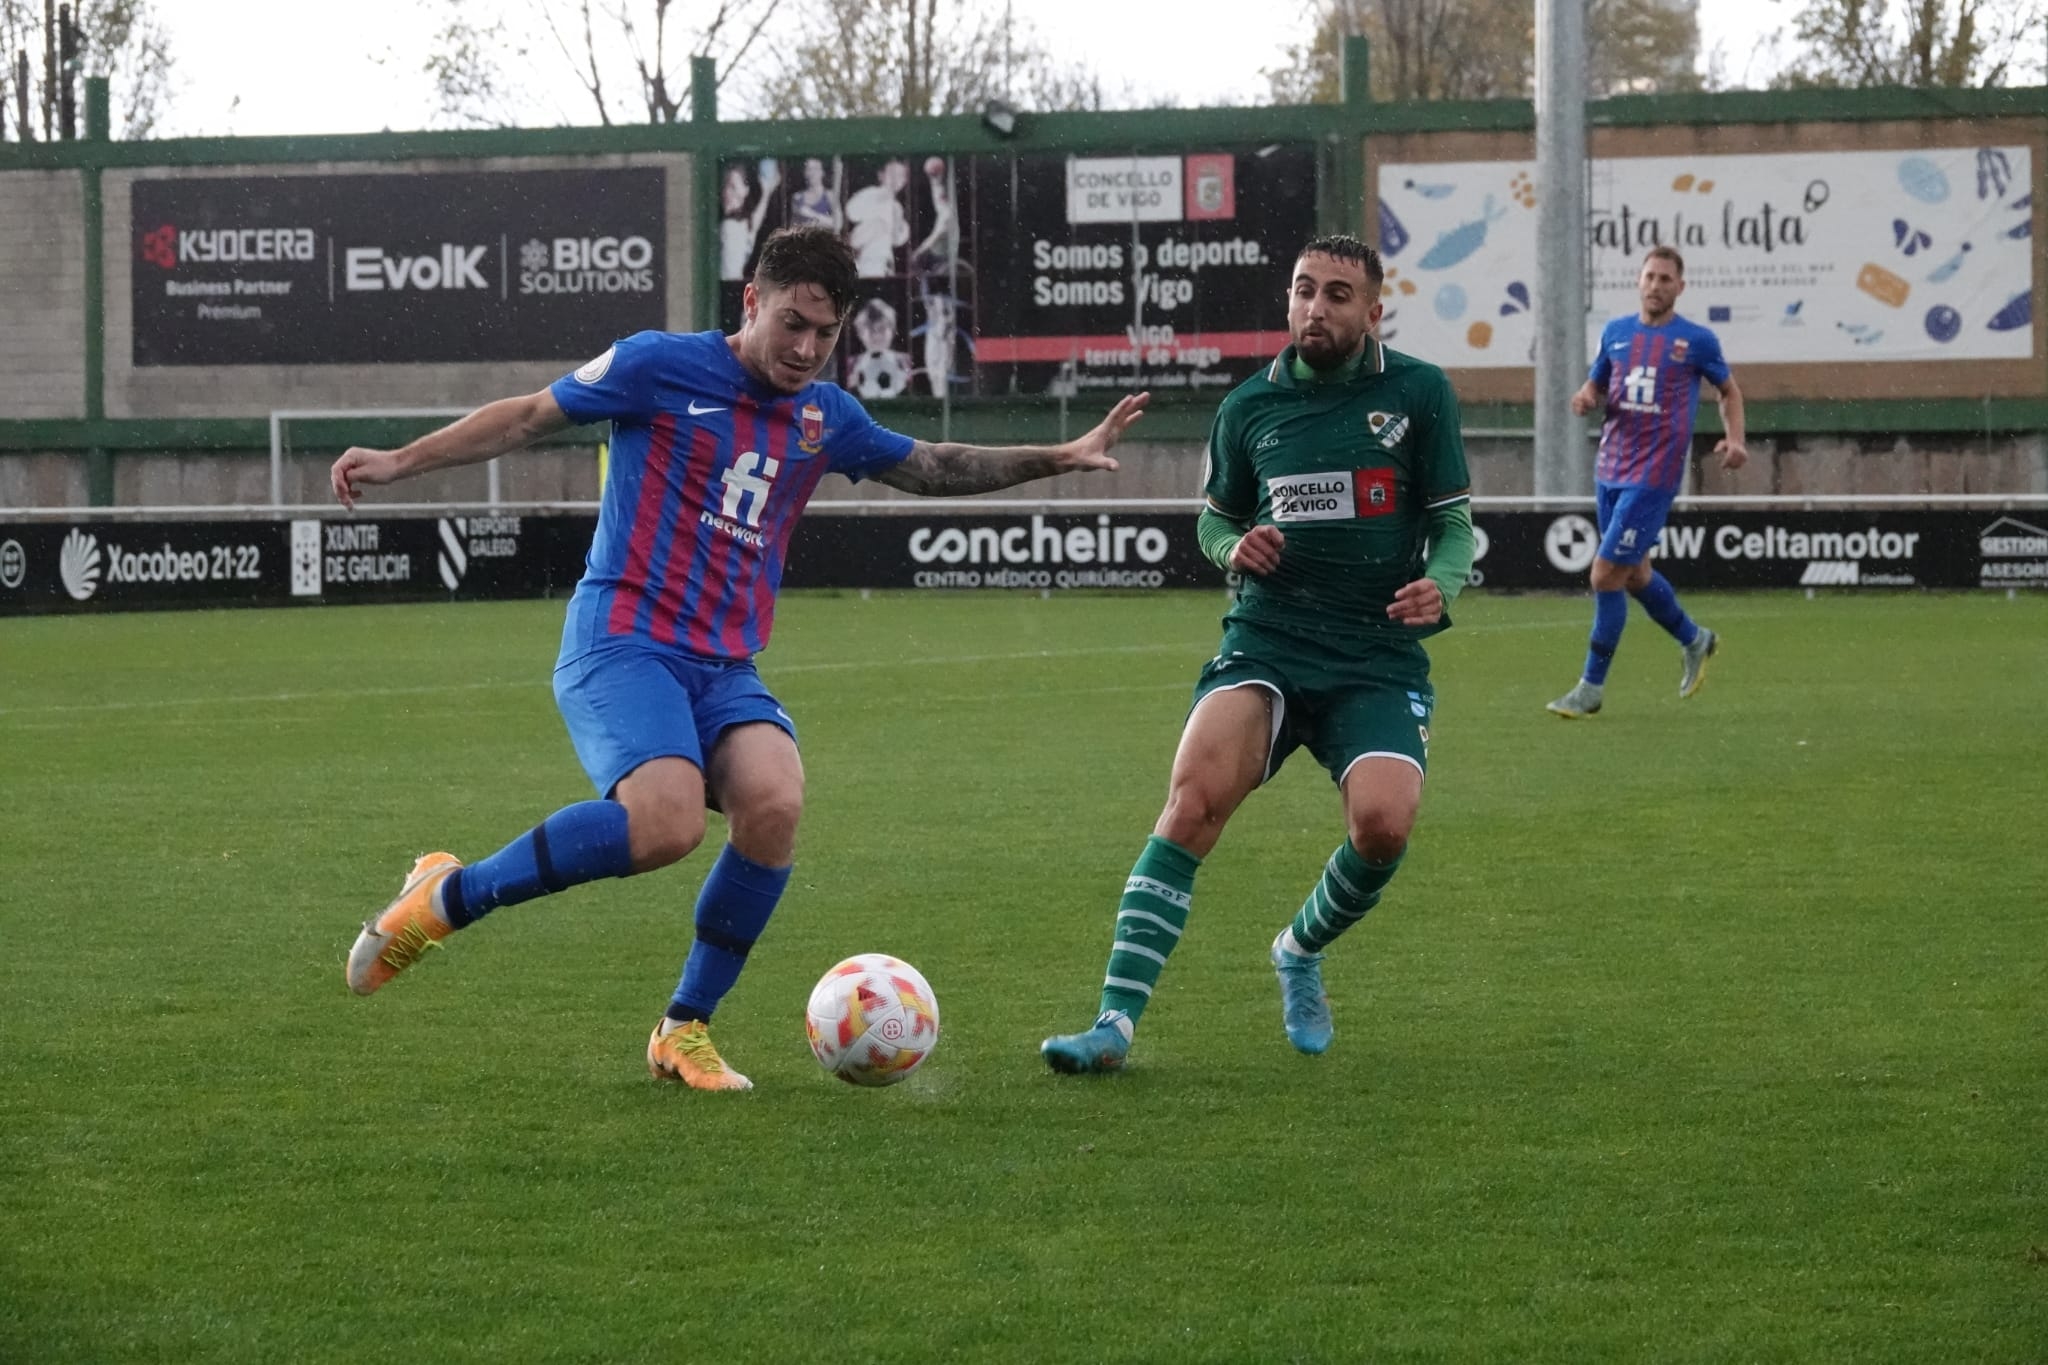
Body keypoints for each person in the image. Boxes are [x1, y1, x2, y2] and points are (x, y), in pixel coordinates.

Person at [332, 226, 1149, 1092]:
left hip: (724, 666)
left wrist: (1058, 455)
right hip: (623, 639)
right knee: (668, 824)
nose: (804, 349)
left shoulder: (825, 418)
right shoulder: (658, 366)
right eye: (790, 323)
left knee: (774, 803)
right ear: (751, 300)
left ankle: (682, 1029)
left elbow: (933, 465)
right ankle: (445, 899)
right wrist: (399, 461)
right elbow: (531, 415)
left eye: (823, 335)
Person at [1040, 234, 1475, 1073]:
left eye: (1339, 294)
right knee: (1193, 801)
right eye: (1304, 288)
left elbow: (1452, 522)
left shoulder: (1419, 393)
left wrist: (1443, 583)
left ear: (1374, 310)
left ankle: (1298, 949)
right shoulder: (1248, 408)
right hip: (1268, 637)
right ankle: (1112, 1025)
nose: (1317, 306)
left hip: (1377, 648)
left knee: (1383, 827)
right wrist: (1233, 550)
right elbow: (1214, 519)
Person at [1547, 245, 1748, 718]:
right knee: (1634, 574)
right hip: (1610, 469)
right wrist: (1584, 396)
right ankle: (1695, 639)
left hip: (1653, 475)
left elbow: (1729, 391)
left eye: (1665, 279)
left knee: (1603, 574)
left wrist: (1735, 439)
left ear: (1680, 287)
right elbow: (1597, 384)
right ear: (1638, 281)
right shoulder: (1616, 333)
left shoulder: (1696, 341)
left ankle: (1590, 687)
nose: (1656, 285)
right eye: (1650, 277)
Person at [844, 159, 910, 278]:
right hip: (862, 257)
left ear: (904, 181)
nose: (895, 179)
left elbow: (897, 240)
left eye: (900, 176)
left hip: (882, 261)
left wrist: (898, 221)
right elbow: (851, 212)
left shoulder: (897, 207)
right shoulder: (871, 193)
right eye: (892, 174)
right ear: (881, 175)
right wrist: (878, 198)